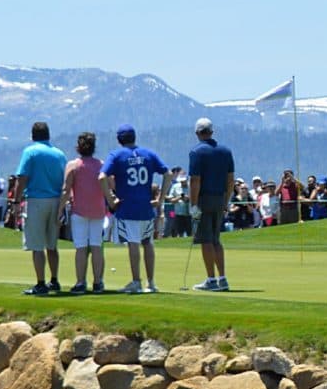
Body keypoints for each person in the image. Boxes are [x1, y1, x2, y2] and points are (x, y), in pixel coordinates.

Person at [99, 125, 172, 294]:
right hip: (146, 206)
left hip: (128, 207)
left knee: (133, 243)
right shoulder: (148, 154)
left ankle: (136, 281)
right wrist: (160, 199)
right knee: (148, 243)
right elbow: (167, 174)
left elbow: (102, 177)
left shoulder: (116, 155)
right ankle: (151, 282)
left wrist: (110, 199)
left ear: (119, 139)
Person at [14, 121, 67, 295]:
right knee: (52, 245)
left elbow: (22, 178)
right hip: (56, 201)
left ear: (33, 135)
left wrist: (16, 200)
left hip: (36, 200)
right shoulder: (59, 154)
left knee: (37, 246)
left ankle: (41, 283)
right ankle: (54, 280)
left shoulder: (30, 151)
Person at [189, 117, 235, 292]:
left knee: (206, 240)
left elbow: (195, 181)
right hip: (219, 198)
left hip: (204, 199)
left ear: (197, 133)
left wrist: (193, 205)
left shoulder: (196, 152)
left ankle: (211, 279)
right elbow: (230, 180)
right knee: (216, 240)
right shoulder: (226, 151)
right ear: (212, 132)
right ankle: (222, 278)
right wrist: (226, 200)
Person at [59, 132, 107, 294]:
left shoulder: (73, 165)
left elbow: (66, 190)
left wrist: (59, 210)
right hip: (98, 210)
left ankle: (80, 282)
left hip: (79, 211)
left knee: (81, 247)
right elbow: (110, 184)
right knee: (96, 246)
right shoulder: (102, 165)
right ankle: (98, 282)